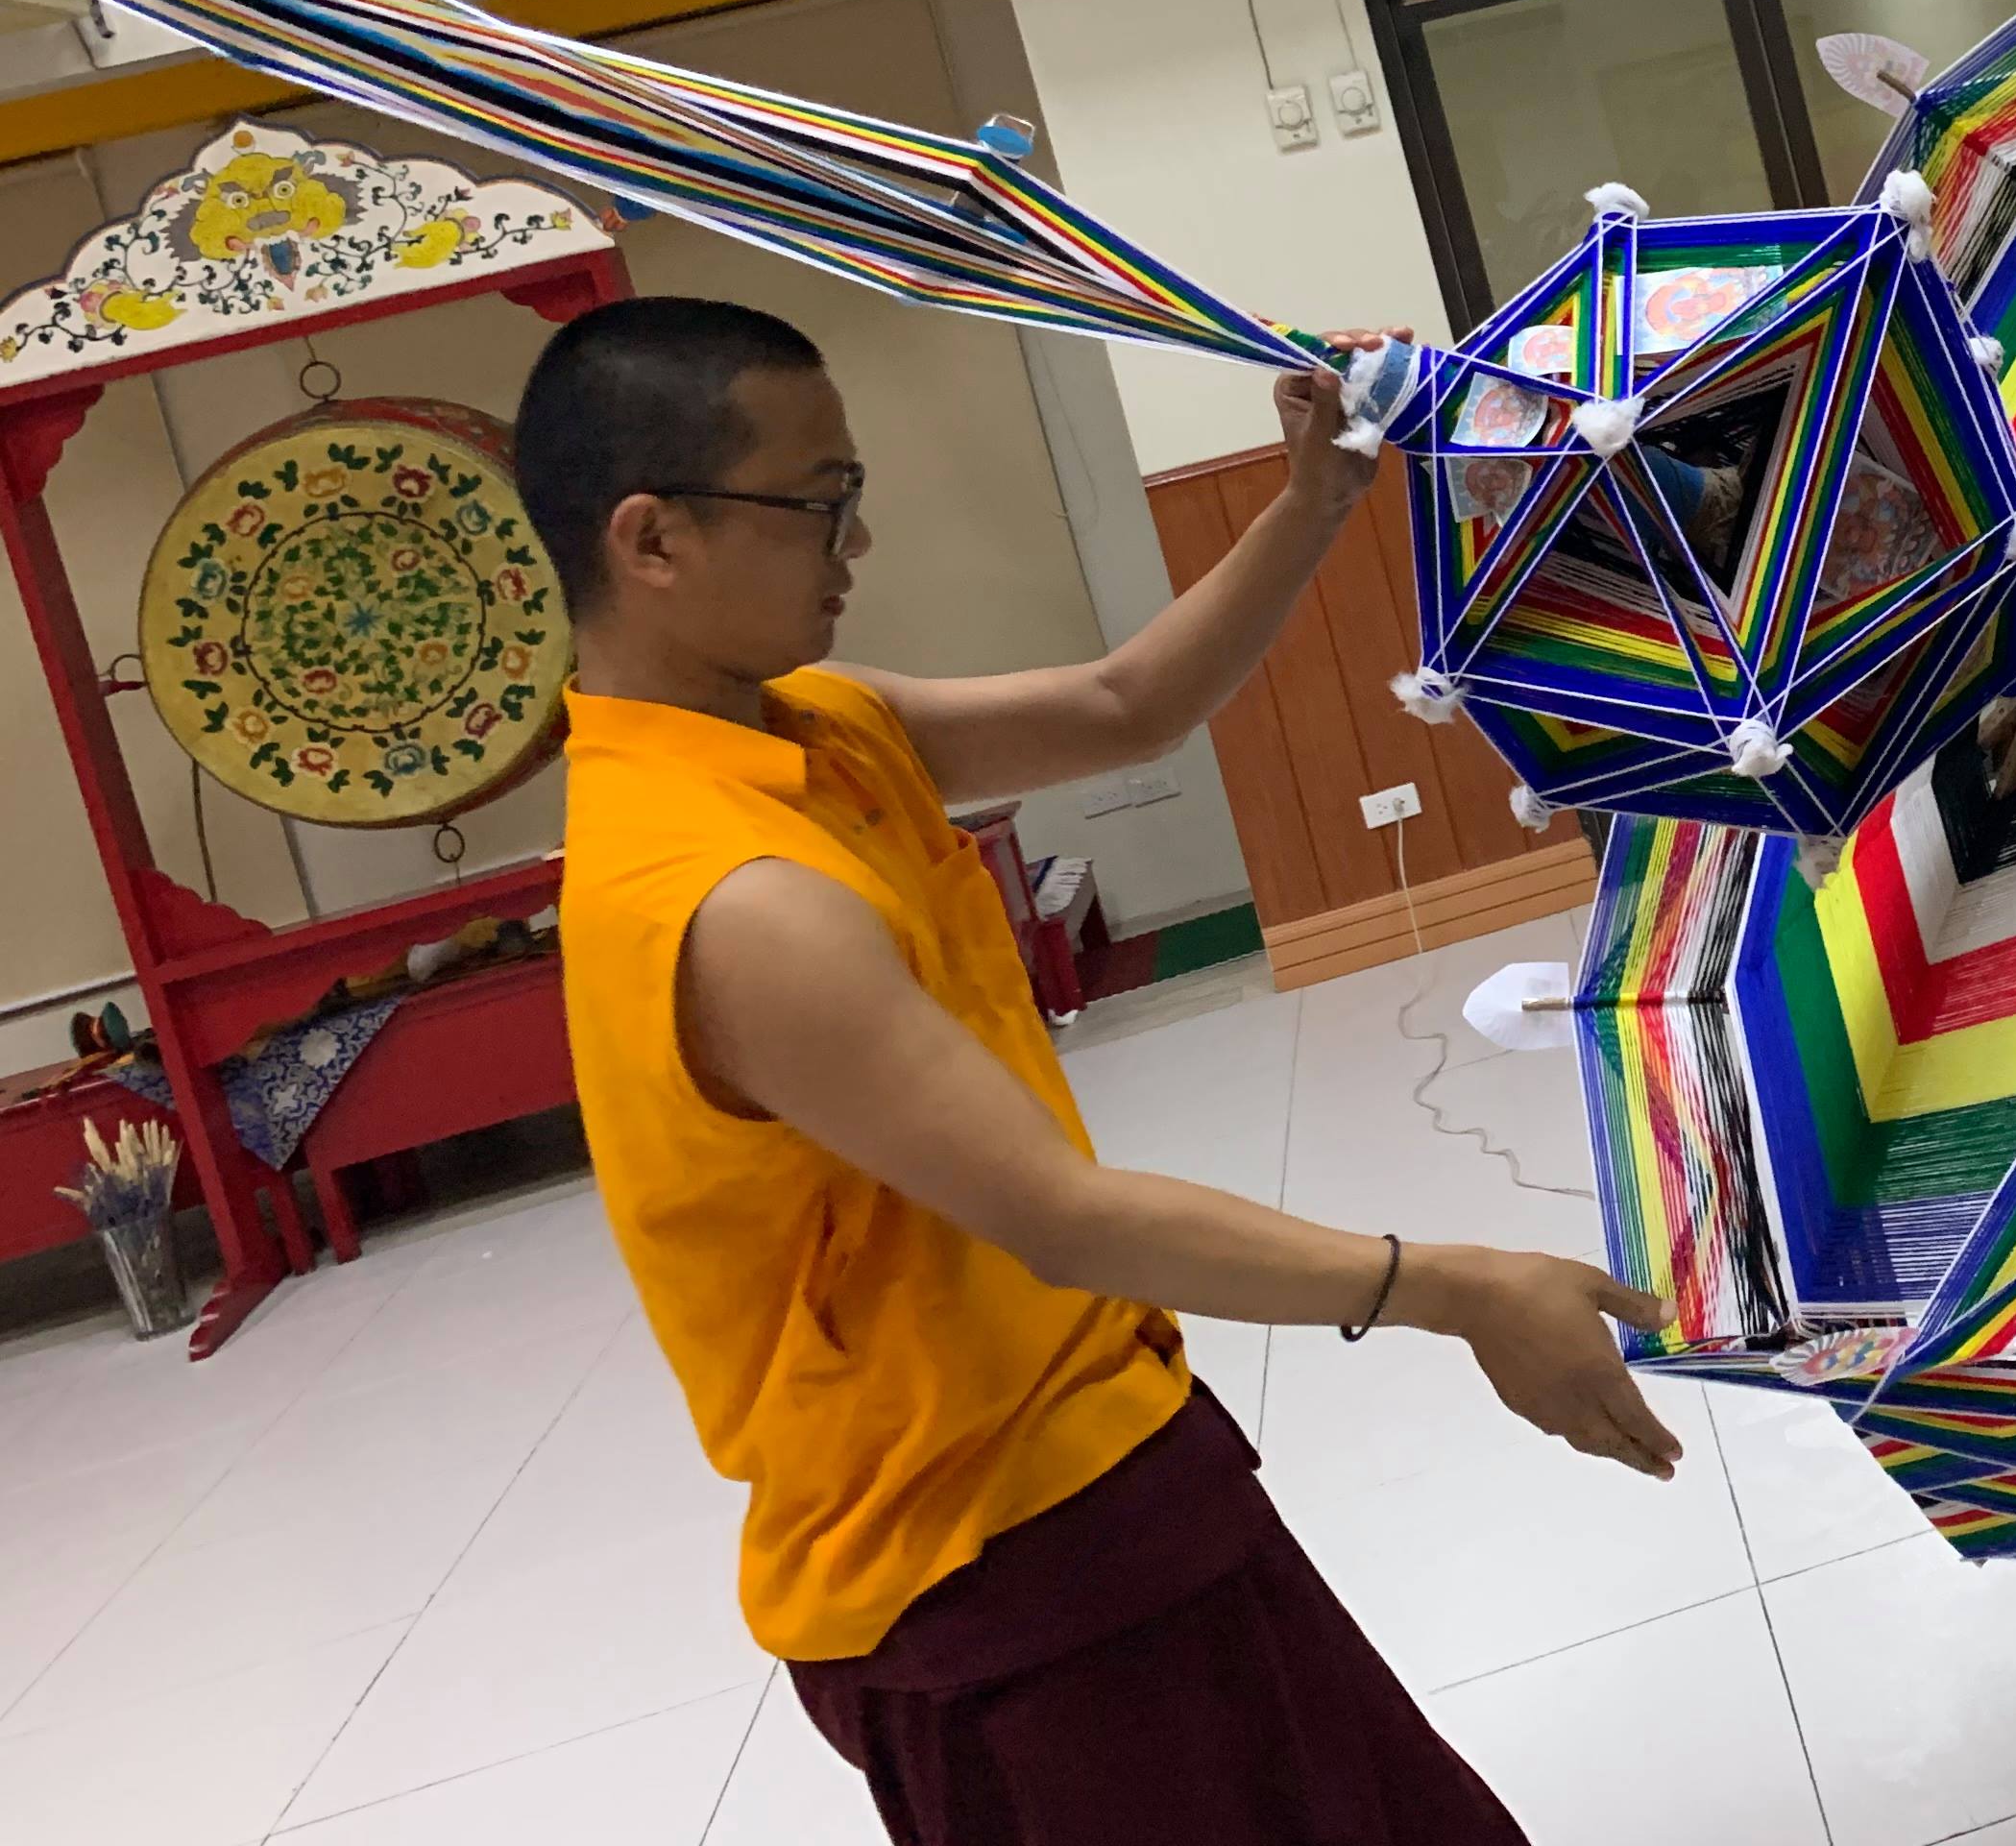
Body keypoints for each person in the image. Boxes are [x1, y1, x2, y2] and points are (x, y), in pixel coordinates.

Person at [529, 297, 1679, 1846]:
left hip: (1106, 1457)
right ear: (653, 538)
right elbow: (1059, 1217)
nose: (854, 541)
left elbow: (1128, 706)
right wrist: (1457, 1287)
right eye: (818, 500)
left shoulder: (822, 729)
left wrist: (1313, 497)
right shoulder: (722, 898)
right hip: (985, 1572)